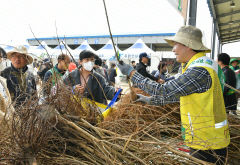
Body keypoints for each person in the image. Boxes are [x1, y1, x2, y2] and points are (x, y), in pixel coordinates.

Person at [117, 25, 230, 164]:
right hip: (208, 139)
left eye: (176, 44)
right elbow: (175, 95)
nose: (173, 49)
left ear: (188, 45)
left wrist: (132, 73)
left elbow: (163, 90)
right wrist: (149, 100)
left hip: (207, 143)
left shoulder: (199, 71)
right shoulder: (206, 65)